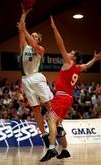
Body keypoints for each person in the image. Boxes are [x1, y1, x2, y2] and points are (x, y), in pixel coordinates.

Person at [40, 16, 101, 162]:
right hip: (68, 98)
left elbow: (60, 44)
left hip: (61, 97)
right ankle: (65, 150)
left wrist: (54, 29)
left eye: (70, 52)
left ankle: (51, 148)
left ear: (73, 57)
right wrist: (95, 59)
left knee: (51, 120)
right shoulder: (78, 68)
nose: (68, 53)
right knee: (58, 123)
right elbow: (86, 65)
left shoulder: (69, 62)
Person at [17, 10, 67, 148]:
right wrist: (24, 14)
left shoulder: (40, 49)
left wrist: (25, 29)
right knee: (35, 109)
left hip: (37, 78)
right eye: (32, 35)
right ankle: (44, 134)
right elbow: (22, 33)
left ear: (38, 40)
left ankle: (59, 126)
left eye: (35, 36)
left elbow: (26, 35)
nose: (32, 37)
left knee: (48, 104)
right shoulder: (23, 48)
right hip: (26, 80)